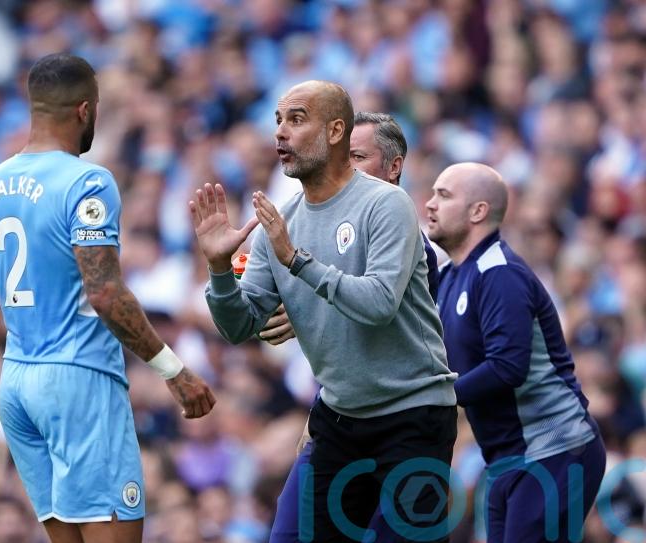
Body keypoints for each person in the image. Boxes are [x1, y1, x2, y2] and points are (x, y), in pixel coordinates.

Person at [0, 53, 216, 543]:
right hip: (78, 382)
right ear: (85, 110)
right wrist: (174, 372)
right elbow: (105, 292)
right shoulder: (87, 182)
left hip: (16, 386)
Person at [190, 80, 457, 542]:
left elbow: (378, 304)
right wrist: (218, 269)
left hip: (412, 416)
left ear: (335, 131)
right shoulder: (280, 223)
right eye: (278, 120)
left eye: (296, 119)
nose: (280, 132)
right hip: (339, 418)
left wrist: (297, 260)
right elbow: (240, 326)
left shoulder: (386, 203)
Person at [264, 111, 441, 543]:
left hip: (406, 419)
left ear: (394, 167)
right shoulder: (321, 230)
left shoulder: (413, 247)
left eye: (357, 157)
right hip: (341, 416)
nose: (343, 168)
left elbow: (385, 316)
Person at [425, 162, 606, 542]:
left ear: (478, 211)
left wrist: (436, 396)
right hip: (507, 458)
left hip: (554, 449)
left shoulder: (499, 272)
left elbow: (508, 366)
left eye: (444, 195)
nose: (430, 204)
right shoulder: (453, 275)